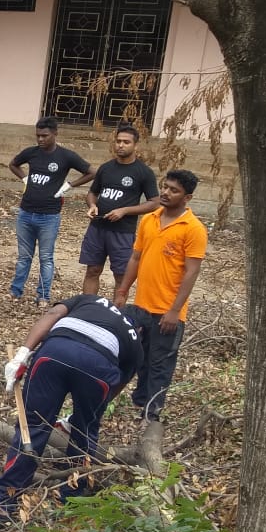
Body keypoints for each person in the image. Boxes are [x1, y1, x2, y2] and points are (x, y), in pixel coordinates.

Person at [0, 295, 143, 526]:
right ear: (138, 327)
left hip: (54, 353)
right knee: (84, 436)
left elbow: (52, 315)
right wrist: (84, 417)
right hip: (98, 370)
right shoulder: (136, 342)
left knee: (32, 427)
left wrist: (22, 354)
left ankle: (4, 505)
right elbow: (115, 386)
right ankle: (72, 504)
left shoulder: (92, 300)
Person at [114, 170, 207, 422]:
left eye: (173, 190)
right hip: (140, 306)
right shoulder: (150, 219)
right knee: (138, 358)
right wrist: (122, 291)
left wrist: (175, 310)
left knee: (160, 364)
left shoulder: (193, 229)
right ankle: (139, 402)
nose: (165, 193)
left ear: (187, 197)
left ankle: (152, 413)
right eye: (164, 187)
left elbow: (191, 272)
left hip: (168, 311)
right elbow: (136, 257)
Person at [8, 117, 94, 307]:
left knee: (46, 258)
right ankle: (15, 291)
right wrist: (25, 178)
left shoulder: (66, 156)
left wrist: (69, 186)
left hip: (49, 216)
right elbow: (13, 164)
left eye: (45, 136)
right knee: (24, 257)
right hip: (25, 213)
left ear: (55, 134)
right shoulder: (31, 153)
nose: (40, 139)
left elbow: (91, 172)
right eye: (38, 135)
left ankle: (43, 296)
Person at [79, 125, 160, 295]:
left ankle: (117, 316)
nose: (120, 145)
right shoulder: (106, 168)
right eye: (118, 141)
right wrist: (92, 205)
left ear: (135, 146)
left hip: (123, 233)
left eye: (126, 142)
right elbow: (92, 192)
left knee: (121, 277)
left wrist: (124, 211)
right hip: (97, 229)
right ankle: (87, 311)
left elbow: (154, 202)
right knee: (92, 270)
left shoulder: (144, 172)